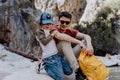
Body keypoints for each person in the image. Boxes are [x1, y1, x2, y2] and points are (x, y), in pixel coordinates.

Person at [36, 12, 86, 80]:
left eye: (50, 23)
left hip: (57, 56)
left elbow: (84, 36)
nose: (48, 25)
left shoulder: (51, 29)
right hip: (49, 58)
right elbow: (45, 42)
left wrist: (83, 43)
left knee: (70, 74)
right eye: (46, 23)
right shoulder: (41, 32)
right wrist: (52, 35)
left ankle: (77, 69)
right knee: (61, 78)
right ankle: (46, 67)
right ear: (41, 23)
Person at [51, 11, 94, 79]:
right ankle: (77, 71)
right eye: (62, 22)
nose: (64, 24)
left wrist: (89, 45)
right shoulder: (54, 29)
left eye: (67, 22)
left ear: (69, 23)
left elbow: (86, 36)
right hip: (57, 59)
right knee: (65, 41)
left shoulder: (69, 30)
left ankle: (87, 67)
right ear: (58, 21)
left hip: (67, 58)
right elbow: (60, 36)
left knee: (85, 41)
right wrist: (79, 42)